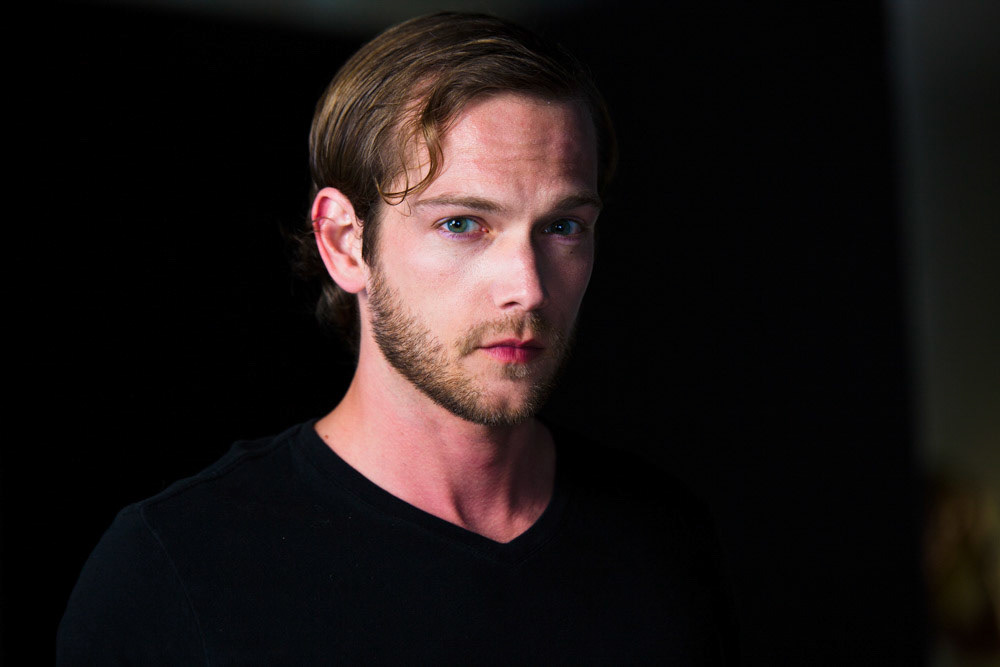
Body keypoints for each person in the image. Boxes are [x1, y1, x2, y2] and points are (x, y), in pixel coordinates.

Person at [58, 12, 737, 664]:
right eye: (461, 224)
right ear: (344, 242)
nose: (528, 288)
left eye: (563, 227)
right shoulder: (172, 568)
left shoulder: (663, 542)